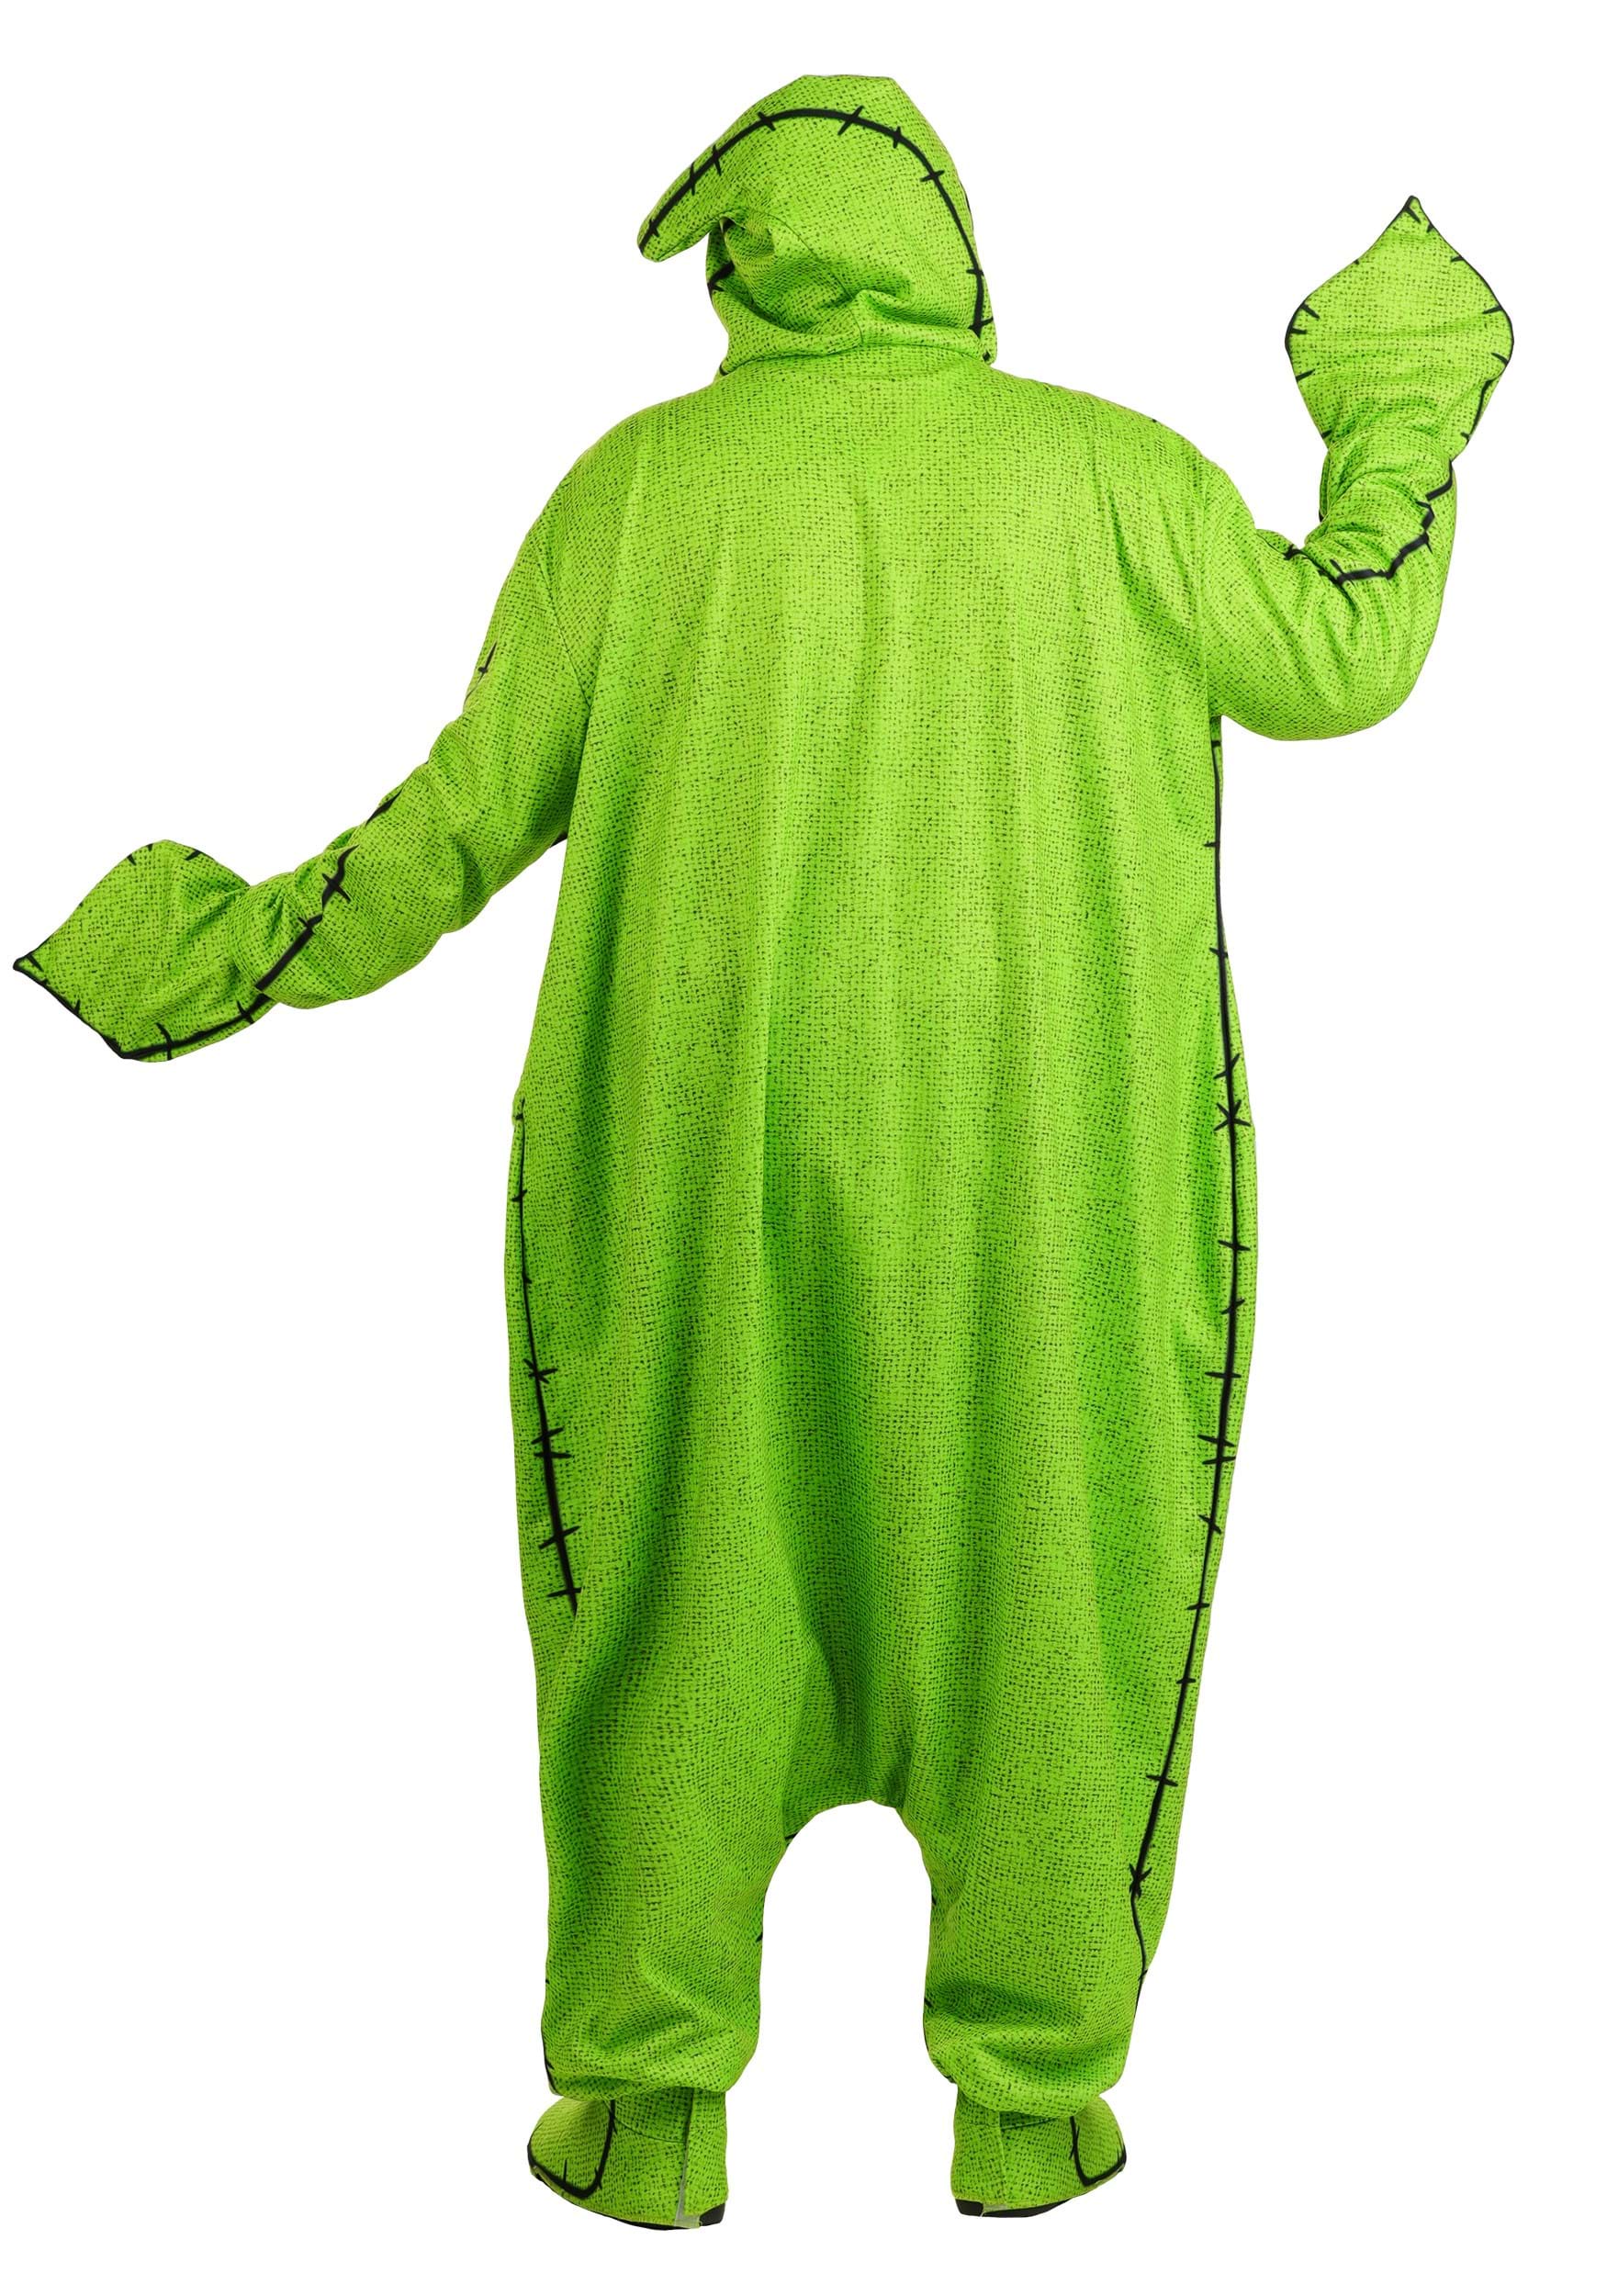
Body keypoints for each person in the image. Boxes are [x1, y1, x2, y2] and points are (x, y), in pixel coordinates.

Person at [15, 72, 1511, 2226]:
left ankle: (644, 2104)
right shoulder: (1112, 475)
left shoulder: (636, 490)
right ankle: (1029, 2100)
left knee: (668, 1592)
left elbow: (455, 823)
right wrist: (1393, 396)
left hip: (695, 1180)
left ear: (743, 266)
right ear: (947, 245)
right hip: (1046, 1189)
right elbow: (1340, 653)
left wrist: (228, 948)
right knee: (1054, 1585)